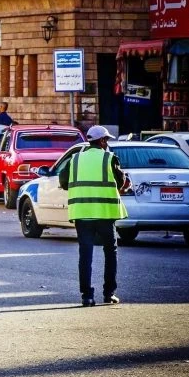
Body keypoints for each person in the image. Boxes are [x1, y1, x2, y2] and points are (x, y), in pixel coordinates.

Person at [59, 125, 130, 307]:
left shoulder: (75, 159)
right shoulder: (109, 158)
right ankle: (109, 293)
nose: (107, 144)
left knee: (85, 254)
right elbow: (121, 182)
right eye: (106, 140)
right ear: (102, 141)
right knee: (110, 252)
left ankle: (87, 296)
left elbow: (63, 182)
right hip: (105, 214)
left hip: (82, 214)